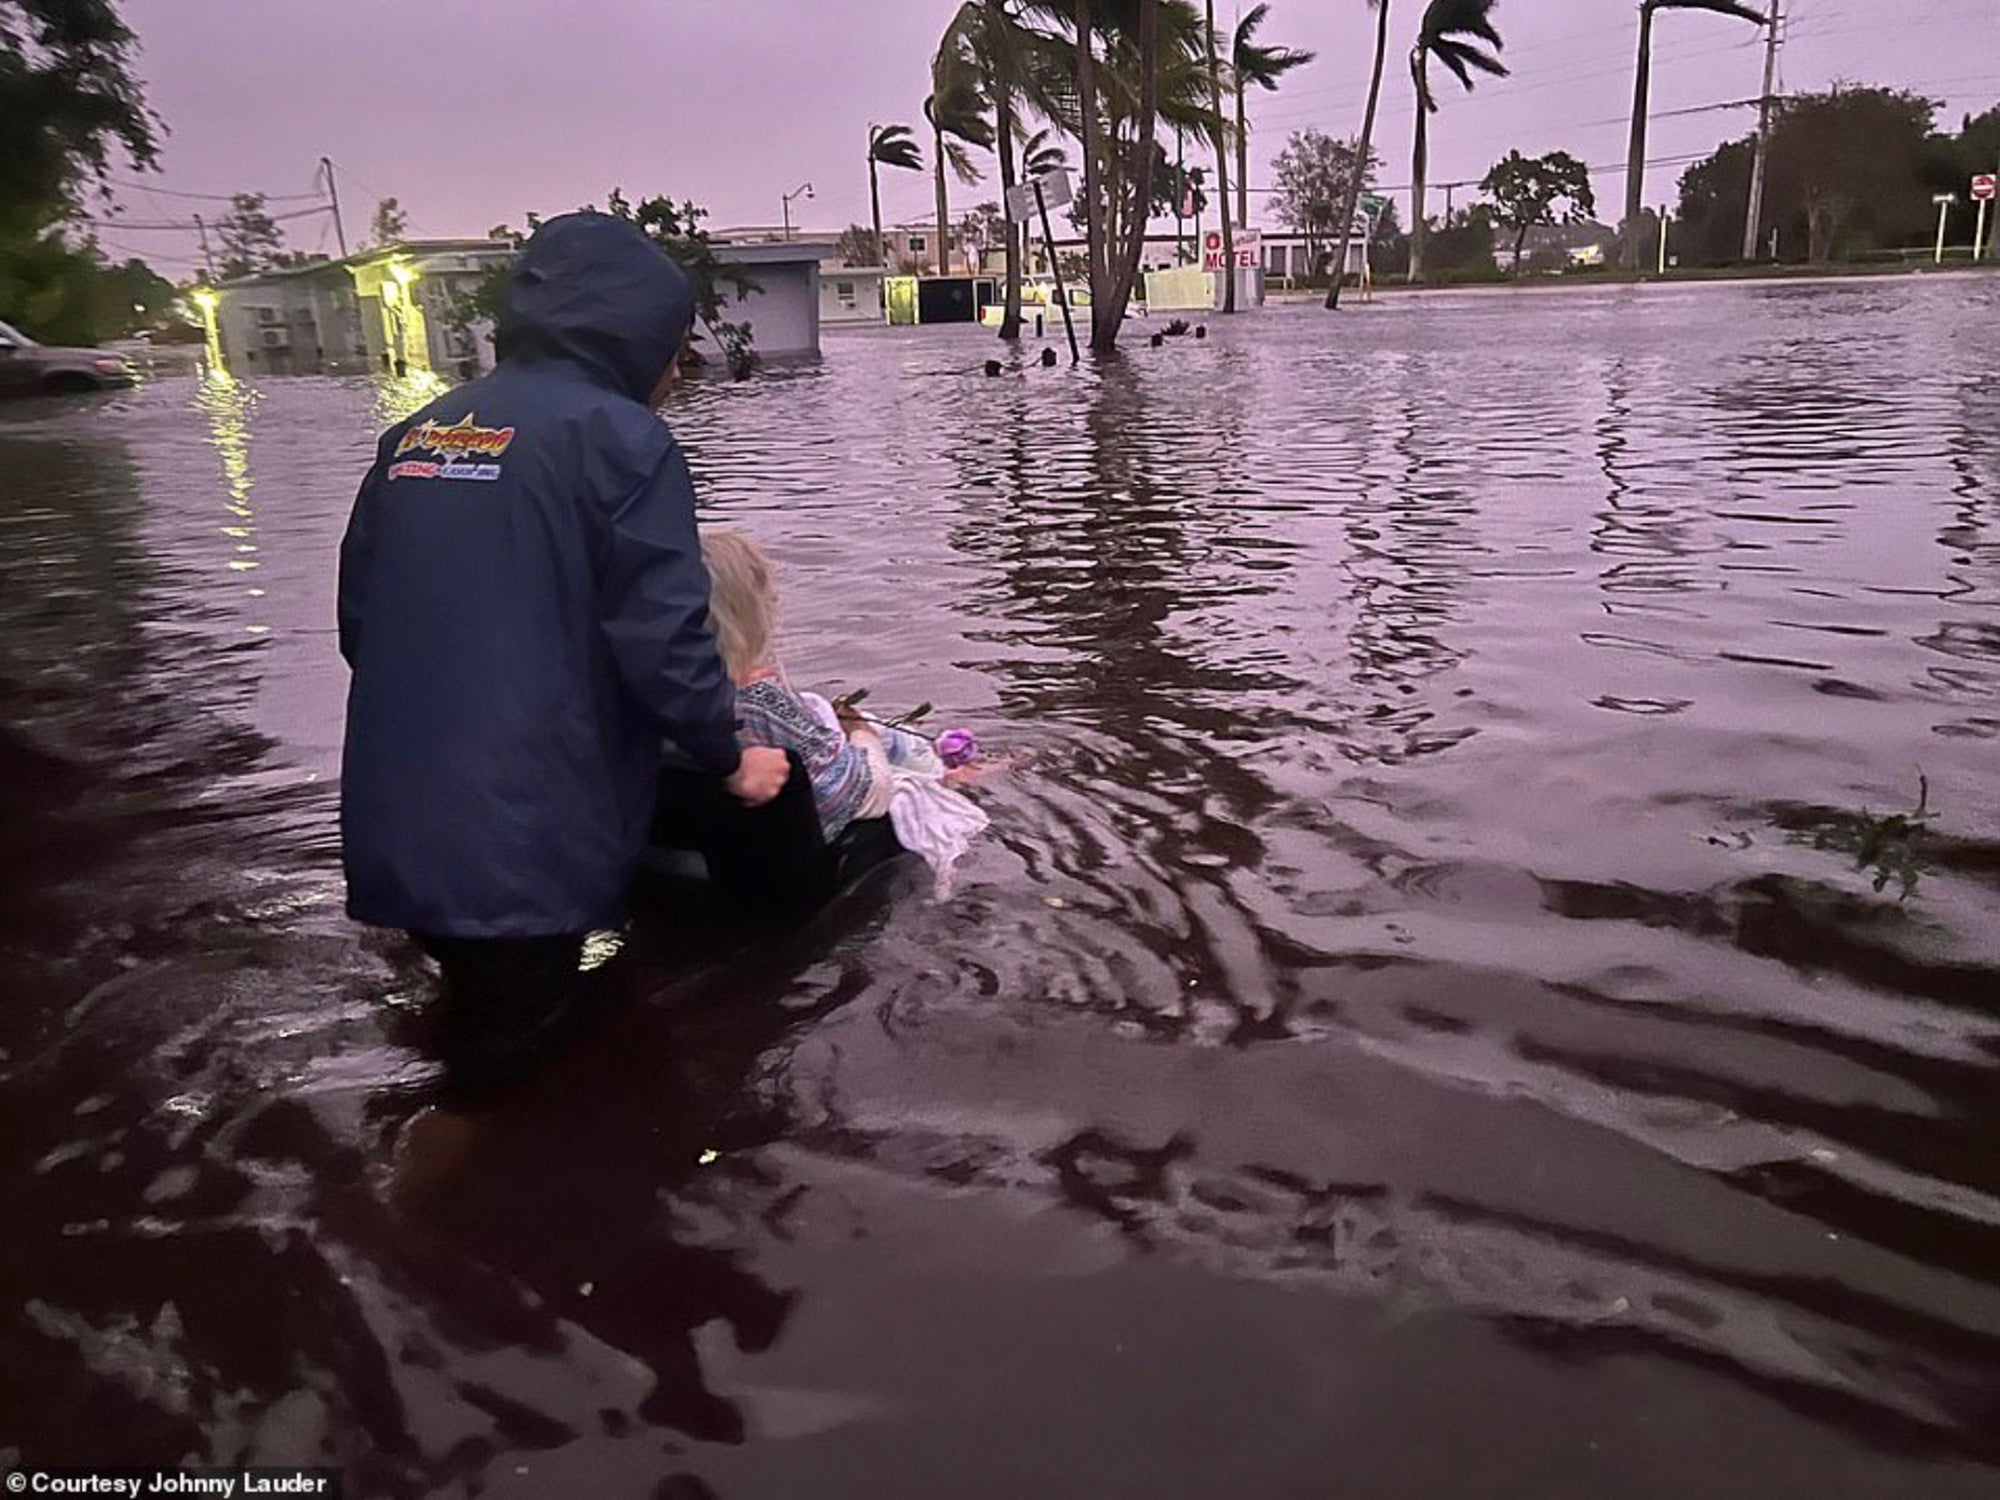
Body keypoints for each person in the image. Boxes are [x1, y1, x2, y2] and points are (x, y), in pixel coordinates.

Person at [337, 212, 789, 1096]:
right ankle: (420, 1191)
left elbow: (361, 625)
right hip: (522, 847)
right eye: (672, 350)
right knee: (508, 1076)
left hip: (398, 828)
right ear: (635, 338)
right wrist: (729, 756)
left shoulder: (416, 437)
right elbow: (664, 632)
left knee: (483, 1010)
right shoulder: (622, 439)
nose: (675, 373)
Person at [698, 528, 990, 897]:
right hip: (784, 869)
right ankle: (956, 776)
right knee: (892, 767)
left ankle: (954, 771)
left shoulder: (647, 701)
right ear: (750, 611)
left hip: (693, 861)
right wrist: (860, 730)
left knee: (843, 728)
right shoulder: (761, 701)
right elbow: (868, 792)